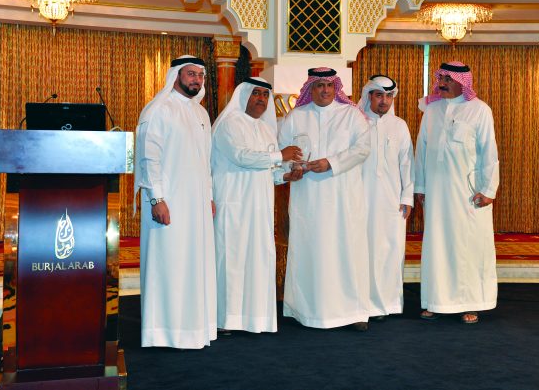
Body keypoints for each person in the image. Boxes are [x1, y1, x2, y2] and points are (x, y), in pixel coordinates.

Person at [278, 67, 372, 331]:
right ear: (311, 88)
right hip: (308, 199)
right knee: (311, 249)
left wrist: (331, 163)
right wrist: (292, 170)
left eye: (329, 85)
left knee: (347, 250)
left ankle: (353, 312)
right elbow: (282, 152)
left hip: (344, 198)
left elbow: (363, 149)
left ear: (336, 87)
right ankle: (307, 311)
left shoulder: (351, 115)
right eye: (319, 85)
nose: (325, 90)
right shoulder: (296, 117)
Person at [134, 55, 216, 348]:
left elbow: (205, 162)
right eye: (191, 74)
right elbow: (149, 158)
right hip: (168, 203)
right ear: (177, 75)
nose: (197, 80)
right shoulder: (159, 109)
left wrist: (208, 197)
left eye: (200, 75)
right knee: (168, 264)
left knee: (193, 264)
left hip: (197, 205)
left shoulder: (201, 113)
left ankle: (194, 329)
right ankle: (164, 332)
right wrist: (156, 198)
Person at [211, 77, 303, 334]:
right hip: (233, 204)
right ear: (243, 96)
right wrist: (280, 155)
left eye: (264, 94)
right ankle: (226, 320)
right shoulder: (229, 123)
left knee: (258, 259)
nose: (261, 99)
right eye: (256, 93)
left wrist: (286, 175)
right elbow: (241, 157)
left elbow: (269, 170)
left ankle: (255, 319)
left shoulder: (265, 129)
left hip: (260, 207)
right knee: (231, 260)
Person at [414, 61, 499, 325]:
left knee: (468, 247)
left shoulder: (480, 110)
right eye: (441, 78)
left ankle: (470, 303)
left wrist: (488, 190)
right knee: (437, 246)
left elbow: (489, 152)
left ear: (462, 82)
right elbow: (422, 150)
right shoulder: (431, 110)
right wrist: (420, 186)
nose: (442, 83)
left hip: (468, 193)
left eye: (448, 79)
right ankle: (435, 301)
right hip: (436, 193)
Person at [358, 75, 414, 320]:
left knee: (390, 250)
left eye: (389, 96)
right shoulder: (356, 123)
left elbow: (407, 164)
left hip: (392, 201)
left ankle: (388, 303)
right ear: (368, 96)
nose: (384, 101)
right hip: (360, 199)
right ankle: (362, 303)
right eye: (379, 95)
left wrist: (407, 197)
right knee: (363, 249)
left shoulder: (399, 126)